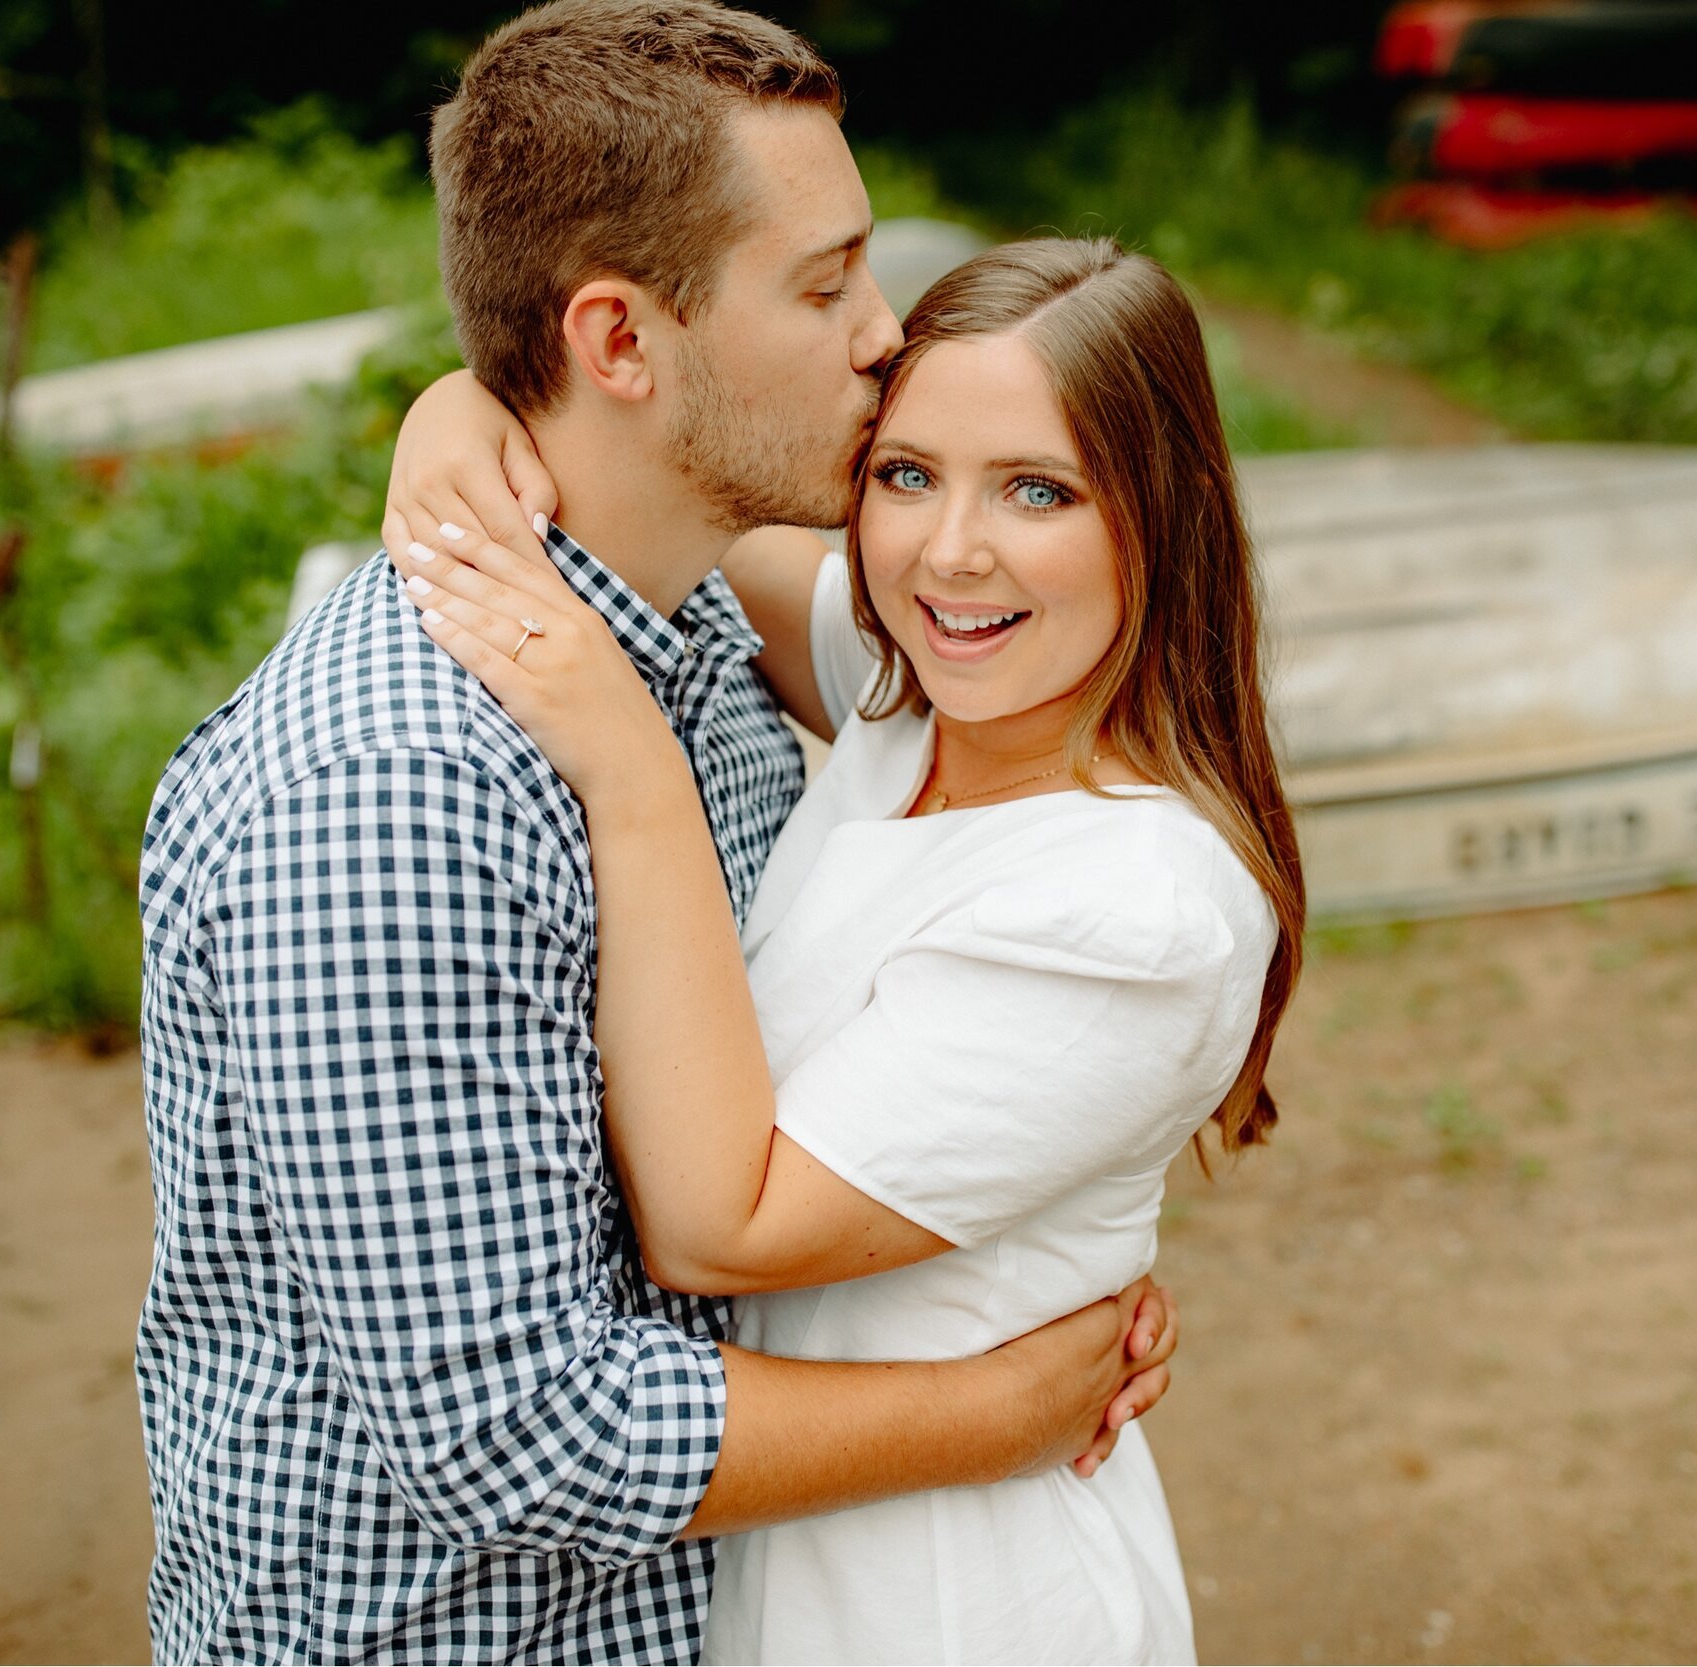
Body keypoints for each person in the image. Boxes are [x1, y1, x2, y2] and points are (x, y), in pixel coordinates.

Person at [133, 7, 1175, 1662]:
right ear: (619, 341)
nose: (881, 336)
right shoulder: (391, 796)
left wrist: (462, 407)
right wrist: (988, 1407)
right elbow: (516, 1429)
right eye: (825, 284)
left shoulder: (695, 640)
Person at [386, 236, 1305, 1662]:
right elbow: (646, 496)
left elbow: (719, 1225)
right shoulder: (916, 695)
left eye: (1038, 491)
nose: (950, 552)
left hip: (951, 1595)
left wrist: (635, 777)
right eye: (907, 474)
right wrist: (454, 414)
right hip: (785, 1555)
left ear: (1163, 514)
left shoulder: (1137, 908)